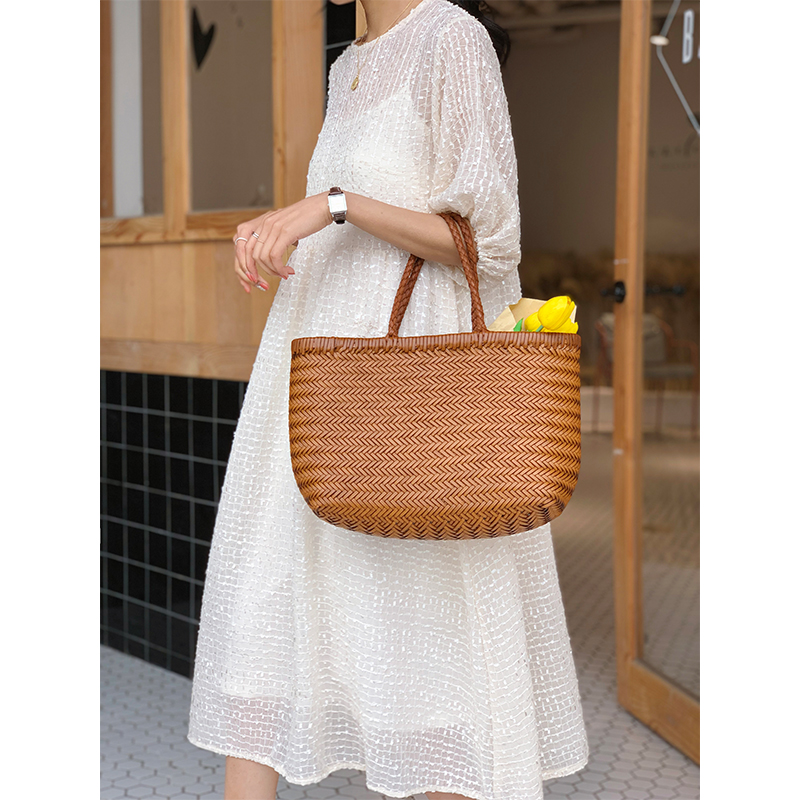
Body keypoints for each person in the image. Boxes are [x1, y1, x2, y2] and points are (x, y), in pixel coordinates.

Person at [187, 1, 589, 799]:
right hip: (316, 378)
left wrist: (335, 205)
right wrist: (286, 225)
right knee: (261, 630)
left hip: (410, 386)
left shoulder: (451, 38)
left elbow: (489, 239)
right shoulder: (349, 61)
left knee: (430, 655)